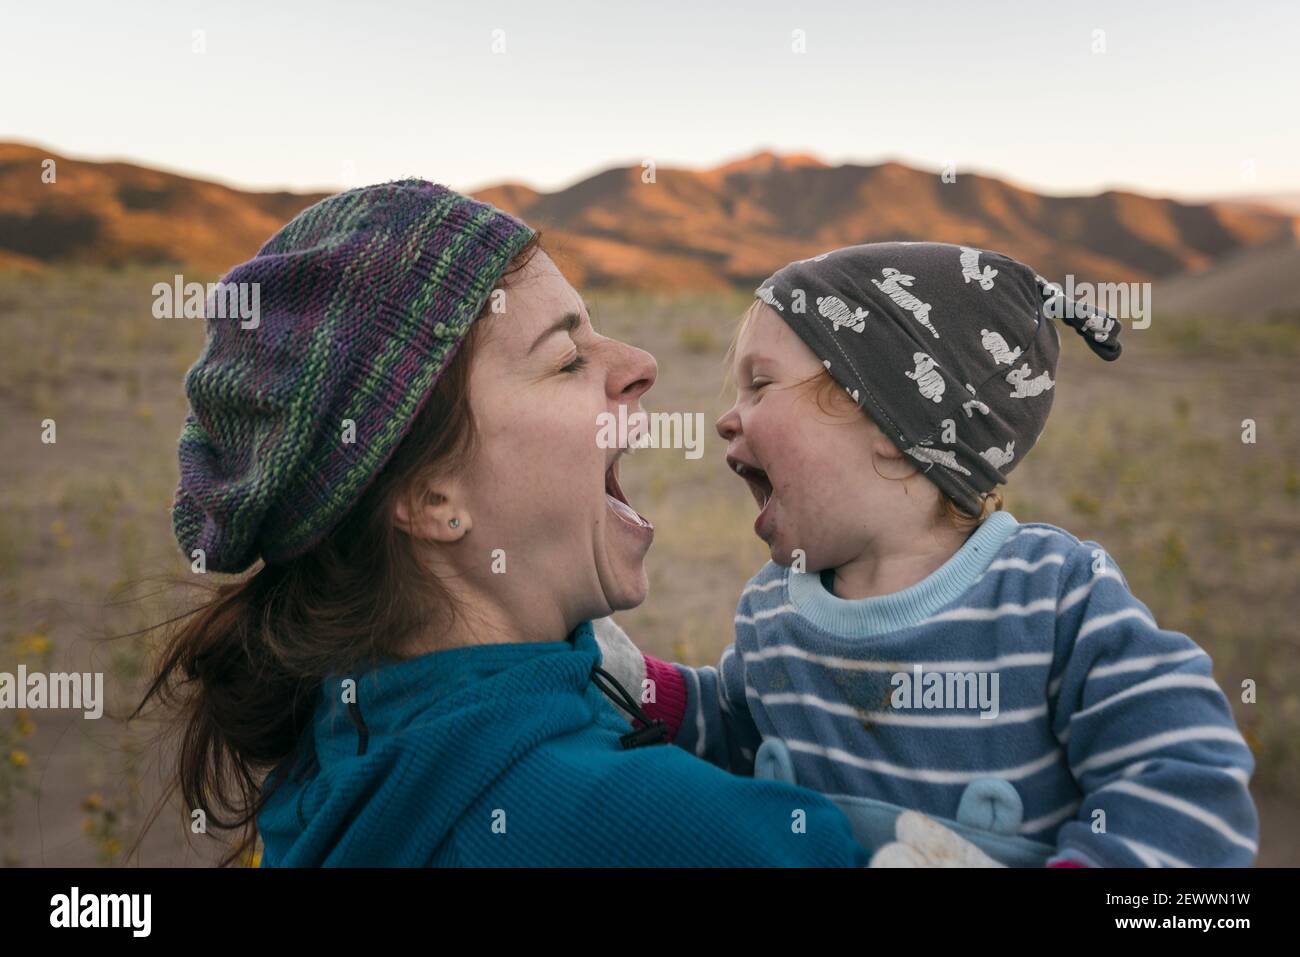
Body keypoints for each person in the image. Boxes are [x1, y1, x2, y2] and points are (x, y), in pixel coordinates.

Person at [136, 179, 884, 867]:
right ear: (433, 499)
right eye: (565, 360)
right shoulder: (693, 838)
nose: (640, 362)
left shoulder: (338, 743)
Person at [594, 242, 1259, 867]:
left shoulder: (1052, 599)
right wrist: (637, 679)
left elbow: (1190, 778)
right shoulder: (774, 610)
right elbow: (738, 729)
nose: (726, 419)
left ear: (892, 425)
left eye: (760, 385)